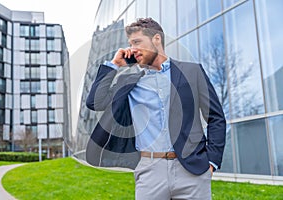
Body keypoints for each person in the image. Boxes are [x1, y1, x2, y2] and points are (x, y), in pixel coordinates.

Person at [86, 17, 226, 200]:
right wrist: (114, 65)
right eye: (130, 44)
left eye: (137, 42)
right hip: (149, 170)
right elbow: (95, 103)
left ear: (156, 39)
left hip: (192, 171)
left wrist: (211, 162)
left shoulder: (192, 72)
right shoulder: (128, 81)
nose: (132, 49)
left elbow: (216, 117)